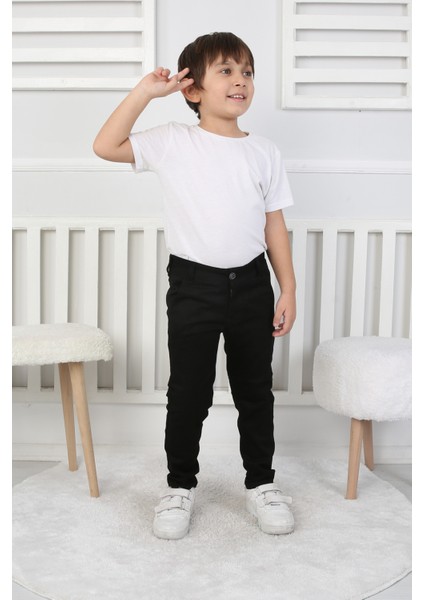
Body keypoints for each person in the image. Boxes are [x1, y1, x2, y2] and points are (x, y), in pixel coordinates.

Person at [93, 32, 296, 540]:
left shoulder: (264, 152)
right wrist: (146, 92)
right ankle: (179, 486)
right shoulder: (173, 140)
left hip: (252, 284)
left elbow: (274, 224)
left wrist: (288, 288)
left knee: (255, 390)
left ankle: (262, 483)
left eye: (247, 71)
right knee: (189, 392)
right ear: (193, 89)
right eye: (226, 70)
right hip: (193, 285)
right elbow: (105, 145)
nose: (240, 80)